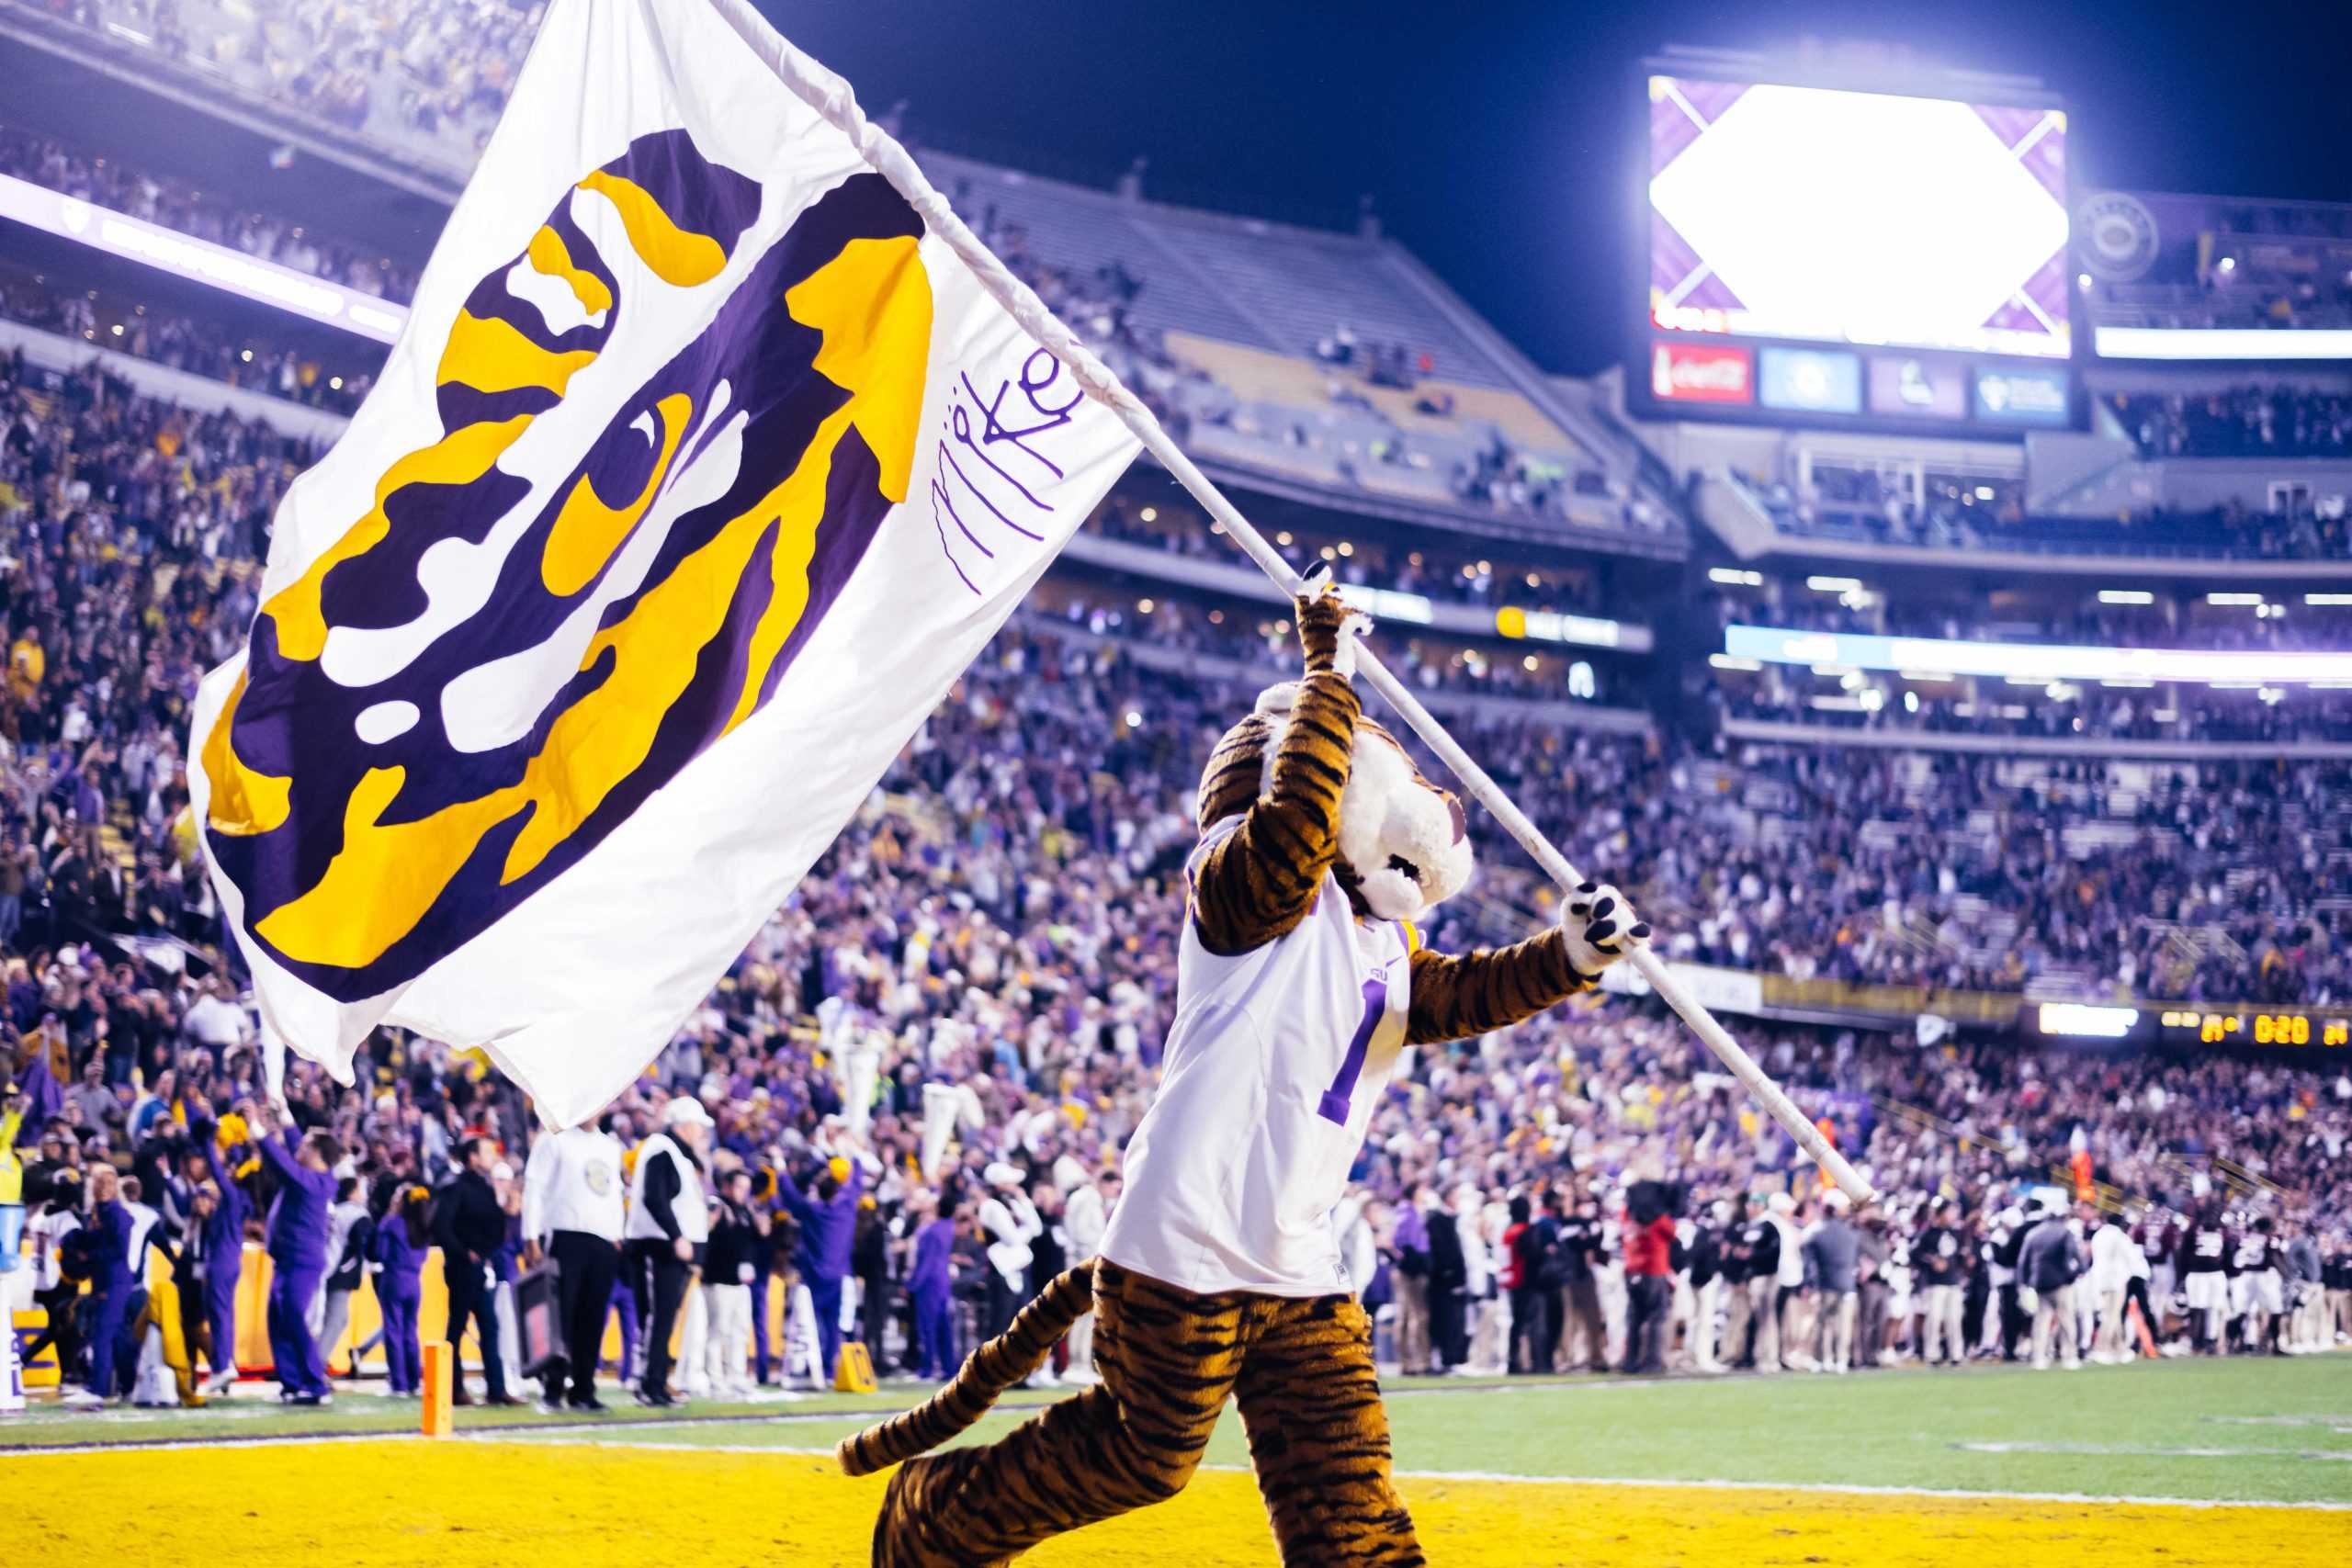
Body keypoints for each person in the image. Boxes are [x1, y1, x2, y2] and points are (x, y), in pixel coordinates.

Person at [519, 1114, 625, 1412]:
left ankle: (583, 1389)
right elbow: (534, 1187)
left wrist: (618, 1234)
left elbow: (614, 1193)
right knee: (560, 1317)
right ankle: (552, 1388)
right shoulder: (554, 1138)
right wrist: (531, 1235)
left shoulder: (609, 1146)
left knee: (593, 1319)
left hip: (603, 1239)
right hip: (565, 1235)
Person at [247, 1099, 336, 1405]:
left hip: (301, 1262)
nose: (300, 1145)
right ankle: (292, 1383)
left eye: (307, 1145)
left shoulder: (310, 1182)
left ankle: (314, 1383)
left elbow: (281, 1163)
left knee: (294, 1318)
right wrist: (285, 1118)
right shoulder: (317, 1175)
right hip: (288, 1259)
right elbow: (299, 1147)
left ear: (317, 1154)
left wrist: (258, 1130)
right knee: (278, 1318)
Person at [625, 1096, 712, 1406]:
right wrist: (677, 1235)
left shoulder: (672, 1152)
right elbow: (655, 1197)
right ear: (684, 1126)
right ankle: (649, 1384)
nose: (702, 1132)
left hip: (668, 1248)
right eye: (698, 1126)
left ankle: (657, 1381)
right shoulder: (662, 1150)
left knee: (663, 1319)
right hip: (658, 1246)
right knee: (656, 1318)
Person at [436, 1134, 519, 1407]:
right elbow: (442, 1226)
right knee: (457, 1326)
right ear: (472, 1157)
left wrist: (506, 1212)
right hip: (462, 1267)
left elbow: (493, 1231)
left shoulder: (484, 1189)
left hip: (480, 1266)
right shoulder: (455, 1187)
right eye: (487, 1151)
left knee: (490, 1326)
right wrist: (464, 1253)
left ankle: (496, 1388)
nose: (493, 1156)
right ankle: (453, 1388)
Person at [778, 1140, 866, 1387]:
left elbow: (791, 1198)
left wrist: (782, 1170)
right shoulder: (847, 1207)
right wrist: (853, 1156)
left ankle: (811, 1366)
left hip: (814, 1274)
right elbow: (856, 1182)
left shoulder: (813, 1210)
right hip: (838, 1274)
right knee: (831, 1323)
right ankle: (827, 1369)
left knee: (811, 1322)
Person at [184, 1105, 251, 1395]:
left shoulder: (234, 1195)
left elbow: (215, 1169)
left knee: (220, 1314)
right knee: (222, 1313)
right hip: (225, 1259)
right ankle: (225, 1363)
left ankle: (223, 1365)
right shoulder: (236, 1198)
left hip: (222, 1261)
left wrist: (210, 1142)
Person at [63, 1163, 135, 1406]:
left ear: (115, 1187)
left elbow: (119, 1250)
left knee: (102, 1334)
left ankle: (98, 1389)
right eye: (99, 1183)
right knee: (116, 1337)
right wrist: (75, 1240)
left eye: (108, 1183)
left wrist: (88, 1255)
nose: (103, 1188)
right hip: (105, 1280)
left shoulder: (117, 1214)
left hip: (114, 1281)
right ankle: (129, 1386)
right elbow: (95, 1241)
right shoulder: (99, 1212)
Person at [702, 1167, 762, 1399]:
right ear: (726, 1186)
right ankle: (715, 1378)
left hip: (741, 1281)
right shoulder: (716, 1204)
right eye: (739, 1187)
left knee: (740, 1331)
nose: (743, 1192)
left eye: (746, 1188)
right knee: (718, 1331)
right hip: (719, 1279)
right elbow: (705, 1231)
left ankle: (736, 1375)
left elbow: (754, 1239)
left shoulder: (745, 1210)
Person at [370, 1180, 430, 1397]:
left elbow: (380, 1253)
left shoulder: (393, 1223)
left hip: (394, 1279)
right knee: (410, 1332)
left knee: (393, 1331)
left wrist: (387, 1217)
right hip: (415, 1282)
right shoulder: (423, 1225)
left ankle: (399, 1384)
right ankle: (414, 1380)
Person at [2018, 1195, 2087, 1371]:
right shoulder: (2065, 1232)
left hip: (2039, 1283)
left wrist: (2025, 1282)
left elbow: (2023, 1262)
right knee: (2067, 1320)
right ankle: (2069, 1356)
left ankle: (2039, 1357)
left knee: (2041, 1322)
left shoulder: (2033, 1234)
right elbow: (2075, 1257)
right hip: (2061, 1283)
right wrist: (2076, 1273)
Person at [316, 1177, 373, 1382]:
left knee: (335, 1318)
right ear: (351, 1192)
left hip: (328, 1265)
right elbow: (365, 1245)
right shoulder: (356, 1214)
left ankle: (315, 1363)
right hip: (341, 1269)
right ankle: (315, 1365)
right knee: (335, 1319)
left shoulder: (335, 1210)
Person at [1804, 1190, 1861, 1373]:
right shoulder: (1851, 1232)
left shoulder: (1817, 1231)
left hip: (1825, 1283)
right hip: (1847, 1283)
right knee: (1843, 1326)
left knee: (1822, 1325)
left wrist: (1809, 1282)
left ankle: (1821, 1359)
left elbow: (1809, 1259)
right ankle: (1841, 1360)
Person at [905, 1186, 958, 1381]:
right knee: (944, 1327)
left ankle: (927, 1368)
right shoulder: (948, 1226)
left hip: (928, 1283)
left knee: (927, 1326)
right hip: (943, 1281)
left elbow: (925, 1262)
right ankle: (947, 1367)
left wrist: (912, 1284)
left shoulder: (930, 1231)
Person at [1916, 1199, 1967, 1367]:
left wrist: (1965, 1260)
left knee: (1954, 1320)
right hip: (1935, 1283)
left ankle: (1956, 1353)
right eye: (1949, 1211)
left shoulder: (1956, 1233)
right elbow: (1914, 1254)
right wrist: (1932, 1261)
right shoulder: (1928, 1234)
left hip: (1953, 1282)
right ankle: (1932, 1354)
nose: (1953, 1215)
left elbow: (1959, 1255)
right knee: (1934, 1319)